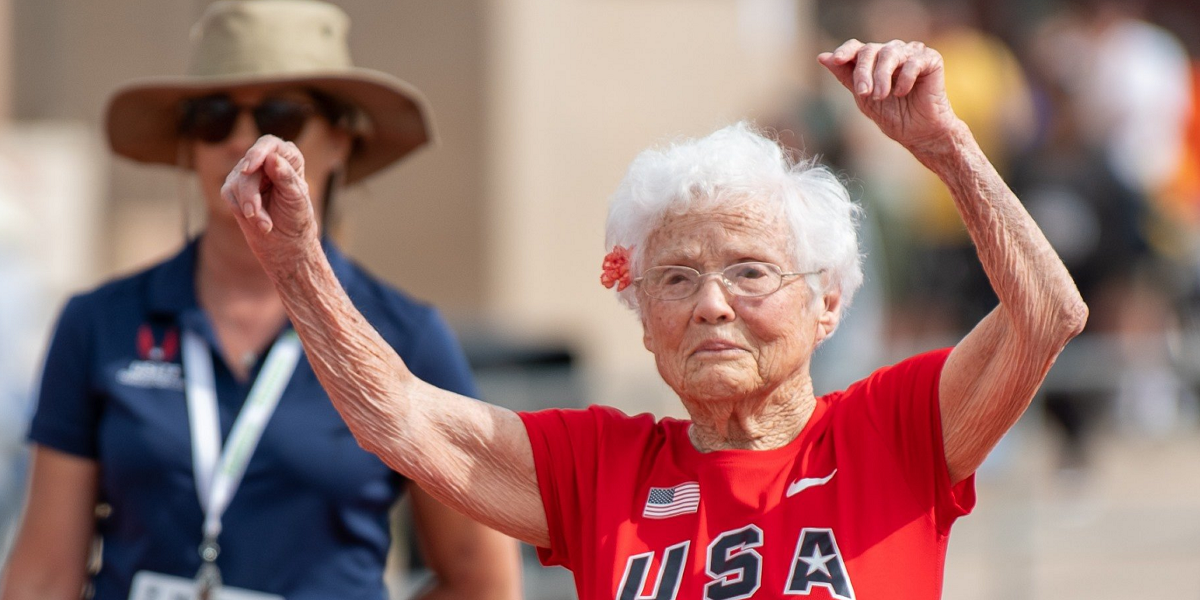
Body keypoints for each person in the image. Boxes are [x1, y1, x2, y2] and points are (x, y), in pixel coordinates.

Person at [221, 39, 1086, 599]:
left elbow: (1047, 312)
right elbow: (401, 418)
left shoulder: (892, 433)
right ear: (642, 319)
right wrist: (297, 264)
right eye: (674, 279)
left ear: (827, 303)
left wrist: (946, 146)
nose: (711, 303)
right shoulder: (599, 468)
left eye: (749, 271)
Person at [0, 2, 521, 600]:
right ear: (188, 144)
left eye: (281, 115)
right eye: (213, 117)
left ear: (342, 142)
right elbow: (43, 575)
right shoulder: (97, 324)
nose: (244, 140)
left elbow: (482, 581)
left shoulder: (406, 337)